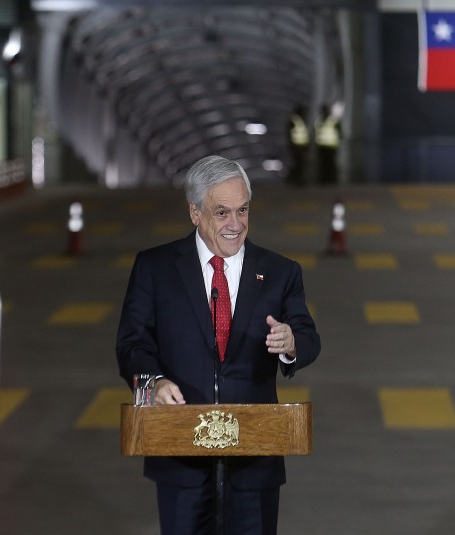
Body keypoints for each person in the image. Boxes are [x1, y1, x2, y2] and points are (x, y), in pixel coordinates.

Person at [116, 155, 321, 535]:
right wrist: (155, 382)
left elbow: (309, 338)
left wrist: (291, 342)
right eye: (222, 212)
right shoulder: (154, 268)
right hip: (181, 459)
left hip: (254, 460)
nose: (235, 225)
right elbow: (131, 344)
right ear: (195, 212)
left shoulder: (280, 271)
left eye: (243, 210)